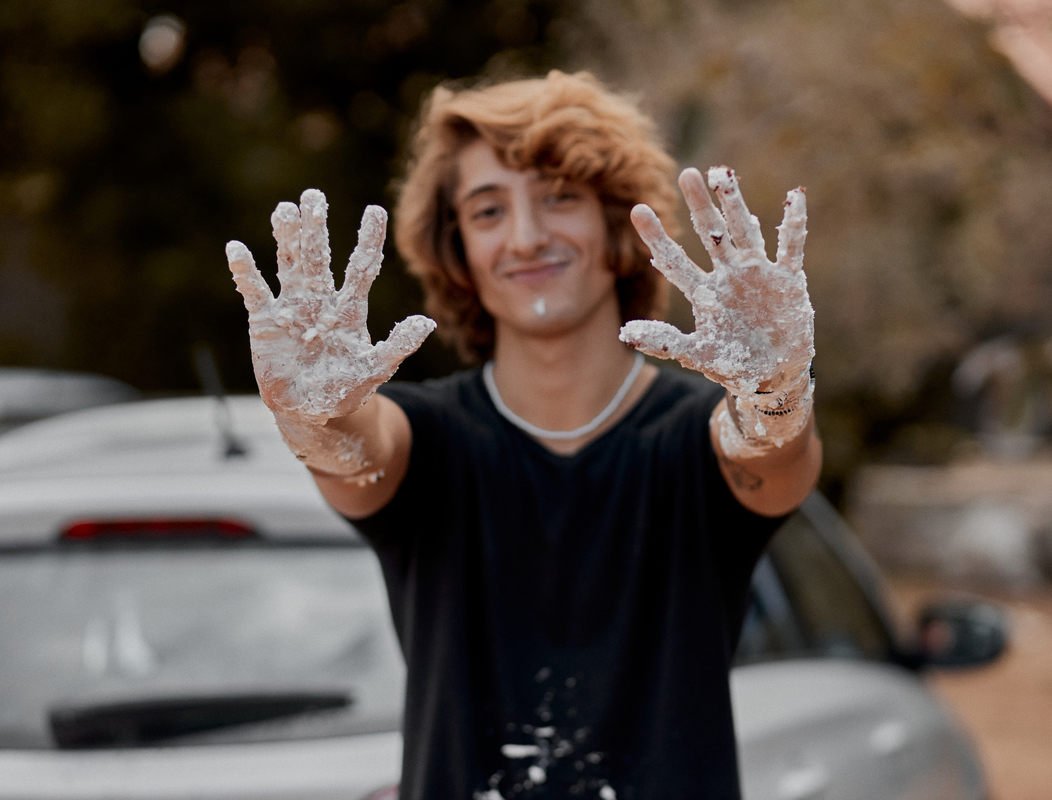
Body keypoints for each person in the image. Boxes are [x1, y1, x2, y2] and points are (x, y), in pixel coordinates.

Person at [226, 70, 820, 800]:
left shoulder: (696, 439)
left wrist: (775, 393)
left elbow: (773, 450)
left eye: (560, 197)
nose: (527, 236)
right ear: (459, 254)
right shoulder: (429, 440)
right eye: (487, 211)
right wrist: (316, 418)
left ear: (618, 227)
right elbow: (355, 452)